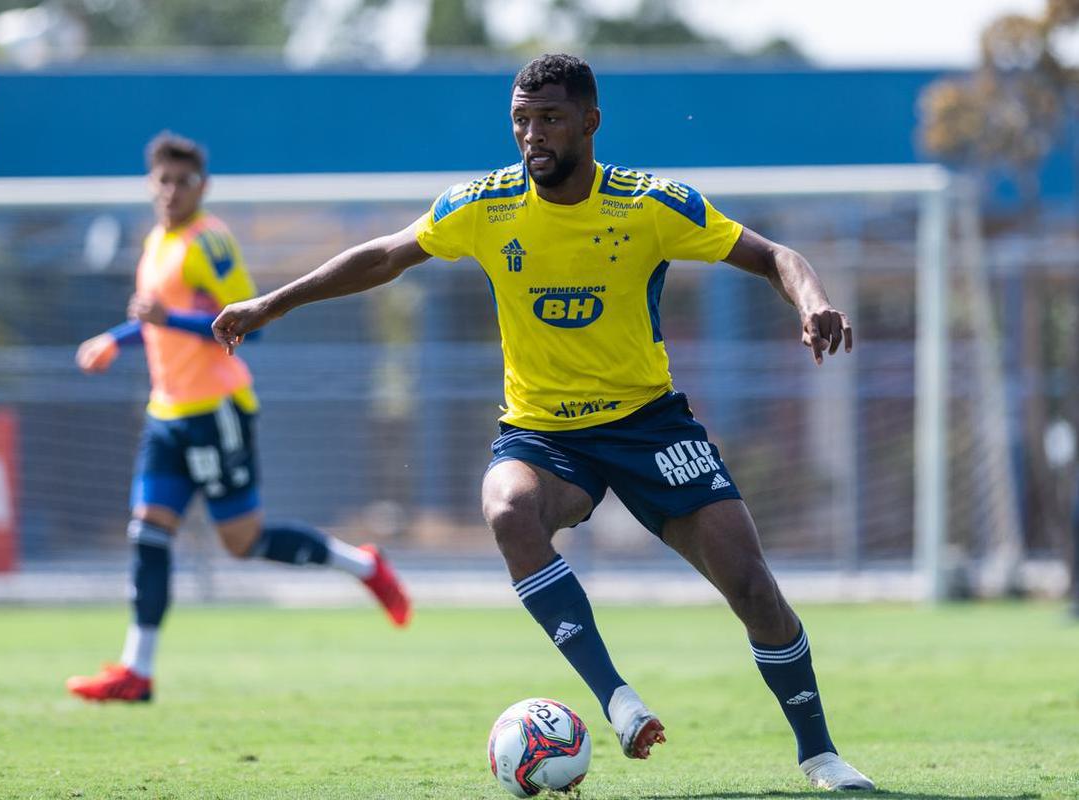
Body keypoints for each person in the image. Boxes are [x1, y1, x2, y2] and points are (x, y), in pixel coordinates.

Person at [211, 55, 873, 791]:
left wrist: (810, 301)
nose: (532, 134)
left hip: (649, 426)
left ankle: (819, 754)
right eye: (521, 119)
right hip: (542, 434)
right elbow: (384, 256)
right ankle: (616, 700)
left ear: (589, 122)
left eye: (549, 118)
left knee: (750, 586)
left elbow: (774, 255)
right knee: (506, 508)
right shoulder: (482, 206)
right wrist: (271, 303)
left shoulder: (650, 203)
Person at [66, 132, 411, 704]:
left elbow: (250, 323)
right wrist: (115, 339)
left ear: (203, 186)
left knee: (243, 543)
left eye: (184, 182)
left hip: (215, 412)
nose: (173, 191)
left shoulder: (211, 242)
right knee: (148, 532)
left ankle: (363, 566)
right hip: (165, 415)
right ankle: (137, 670)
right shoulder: (156, 241)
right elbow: (157, 319)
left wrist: (166, 318)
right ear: (152, 185)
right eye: (165, 181)